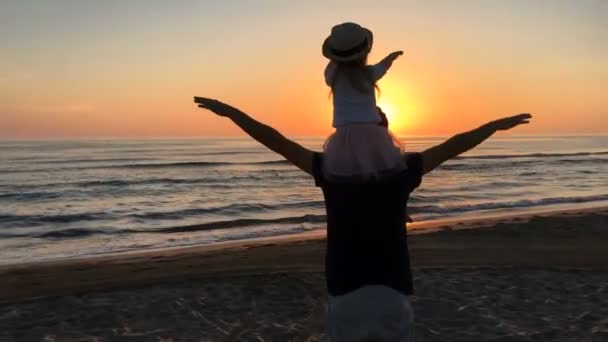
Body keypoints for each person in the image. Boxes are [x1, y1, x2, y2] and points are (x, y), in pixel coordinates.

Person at [193, 96, 531, 341]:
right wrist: (493, 126)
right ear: (385, 135)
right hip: (393, 289)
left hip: (344, 290)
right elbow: (453, 145)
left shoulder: (328, 171)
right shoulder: (403, 171)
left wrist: (232, 113)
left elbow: (276, 141)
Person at [322, 22, 405, 180]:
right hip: (373, 133)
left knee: (348, 175)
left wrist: (338, 56)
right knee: (379, 171)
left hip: (344, 135)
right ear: (364, 53)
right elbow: (383, 67)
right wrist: (391, 57)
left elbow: (331, 67)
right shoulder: (368, 74)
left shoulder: (333, 77)